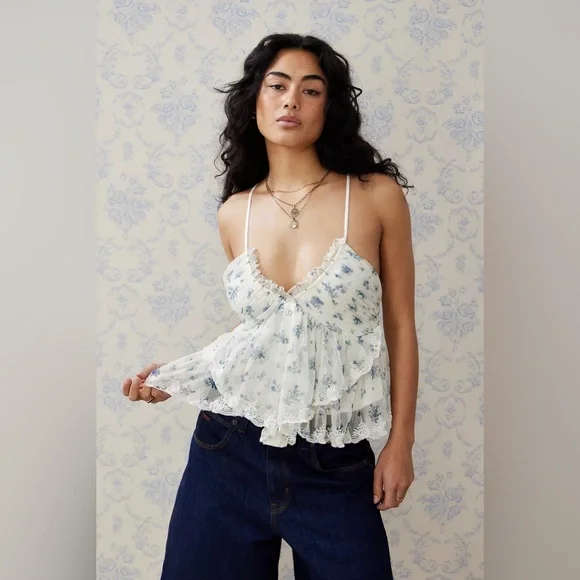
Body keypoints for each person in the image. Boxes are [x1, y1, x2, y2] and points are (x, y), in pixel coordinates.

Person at [122, 33, 418, 580]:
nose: (291, 101)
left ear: (328, 108)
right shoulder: (235, 212)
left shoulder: (375, 196)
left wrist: (401, 441)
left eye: (311, 90)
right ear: (254, 101)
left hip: (334, 462)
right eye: (277, 86)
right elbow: (263, 336)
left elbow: (400, 323)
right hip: (226, 452)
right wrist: (181, 377)